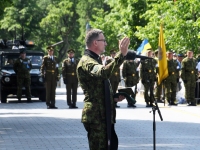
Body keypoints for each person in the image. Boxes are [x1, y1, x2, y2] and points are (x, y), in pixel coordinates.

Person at [76, 29, 129, 150]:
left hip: (103, 115)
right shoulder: (87, 61)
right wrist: (121, 55)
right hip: (96, 117)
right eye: (103, 40)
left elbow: (98, 88)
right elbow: (103, 73)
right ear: (95, 42)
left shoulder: (95, 60)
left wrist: (113, 97)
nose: (105, 43)